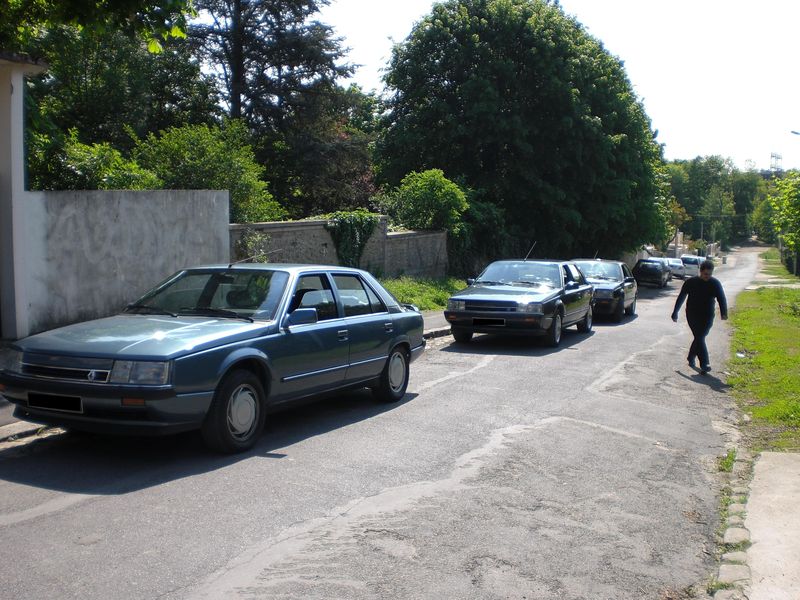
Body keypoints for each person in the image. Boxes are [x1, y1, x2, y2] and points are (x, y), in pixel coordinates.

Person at [671, 259, 728, 373]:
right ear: (700, 272)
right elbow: (682, 296)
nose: (708, 276)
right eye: (706, 274)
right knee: (699, 336)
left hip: (708, 315)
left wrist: (723, 313)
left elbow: (721, 298)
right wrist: (675, 312)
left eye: (710, 274)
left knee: (699, 337)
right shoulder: (691, 282)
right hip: (692, 314)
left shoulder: (715, 283)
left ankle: (691, 356)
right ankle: (704, 363)